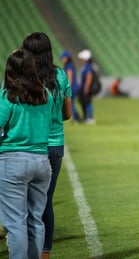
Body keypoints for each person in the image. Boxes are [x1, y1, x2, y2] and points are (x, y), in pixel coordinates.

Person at [23, 32, 72, 259]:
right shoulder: (60, 76)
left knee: (23, 203)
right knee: (45, 202)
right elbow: (68, 113)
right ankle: (45, 254)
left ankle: (23, 251)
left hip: (30, 144)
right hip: (55, 145)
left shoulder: (24, 76)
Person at [0, 48, 53, 259]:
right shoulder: (45, 94)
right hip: (41, 161)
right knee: (35, 220)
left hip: (13, 161)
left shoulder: (8, 96)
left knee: (15, 223)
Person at [60, 50, 81, 122]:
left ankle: (76, 117)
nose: (62, 60)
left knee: (70, 103)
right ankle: (76, 117)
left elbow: (69, 76)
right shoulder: (71, 65)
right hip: (74, 87)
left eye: (63, 58)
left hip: (72, 87)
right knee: (71, 103)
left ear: (67, 58)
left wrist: (68, 88)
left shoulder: (68, 66)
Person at [78, 49, 96, 124]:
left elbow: (89, 77)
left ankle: (90, 118)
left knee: (88, 102)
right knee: (84, 102)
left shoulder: (88, 66)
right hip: (83, 87)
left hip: (86, 87)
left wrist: (86, 88)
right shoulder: (85, 66)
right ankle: (86, 117)